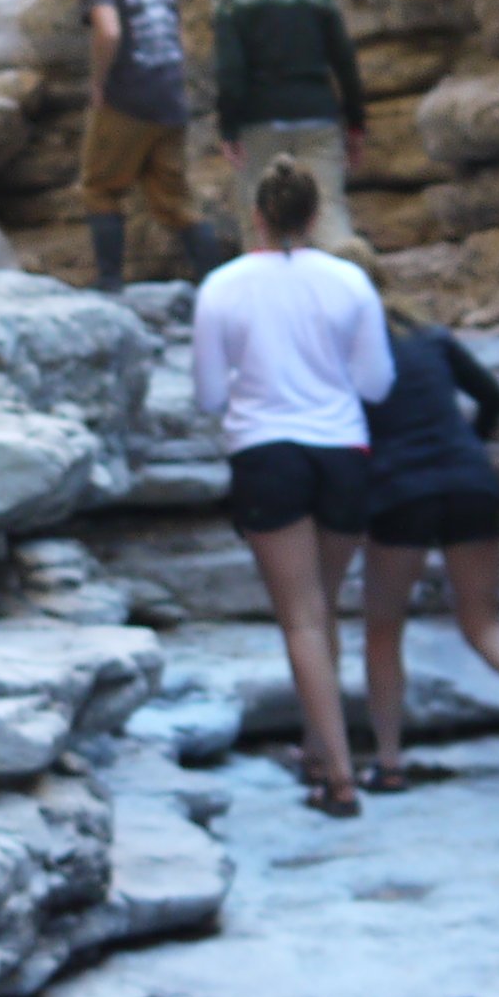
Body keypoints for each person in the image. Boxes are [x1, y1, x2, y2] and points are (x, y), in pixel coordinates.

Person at [192, 156, 391, 814]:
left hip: (266, 452)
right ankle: (318, 745)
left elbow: (209, 394)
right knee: (324, 608)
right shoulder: (349, 282)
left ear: (255, 214)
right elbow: (375, 384)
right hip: (342, 451)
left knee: (301, 618)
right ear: (315, 215)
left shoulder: (222, 287)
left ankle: (337, 778)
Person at [356, 298, 499, 786]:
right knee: (481, 621)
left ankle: (389, 763)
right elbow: (493, 399)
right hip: (468, 480)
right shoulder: (433, 339)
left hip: (398, 490)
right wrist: (469, 448)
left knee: (382, 630)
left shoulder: (348, 353)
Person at [69, 0, 216, 288]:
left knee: (99, 187)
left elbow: (109, 30)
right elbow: (179, 39)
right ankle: (214, 283)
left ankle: (111, 283)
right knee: (176, 200)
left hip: (127, 98)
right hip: (170, 97)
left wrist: (99, 82)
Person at [209, 0, 368, 258]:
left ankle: (266, 301)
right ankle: (352, 276)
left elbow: (230, 68)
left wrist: (228, 127)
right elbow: (345, 62)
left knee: (260, 216)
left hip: (259, 119)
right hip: (317, 115)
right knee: (327, 210)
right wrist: (355, 123)